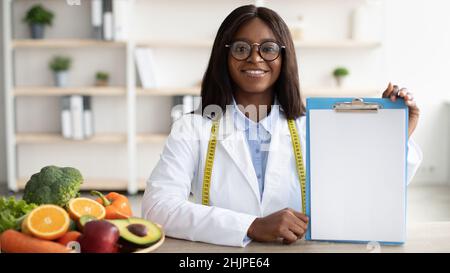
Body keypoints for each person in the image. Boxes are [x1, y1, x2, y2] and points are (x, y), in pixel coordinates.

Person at [142, 5, 422, 247]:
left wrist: (393, 136)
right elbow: (157, 208)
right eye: (241, 48)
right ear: (223, 57)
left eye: (268, 48)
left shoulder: (314, 125)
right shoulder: (192, 127)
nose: (255, 58)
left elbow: (362, 190)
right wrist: (251, 226)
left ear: (284, 56)